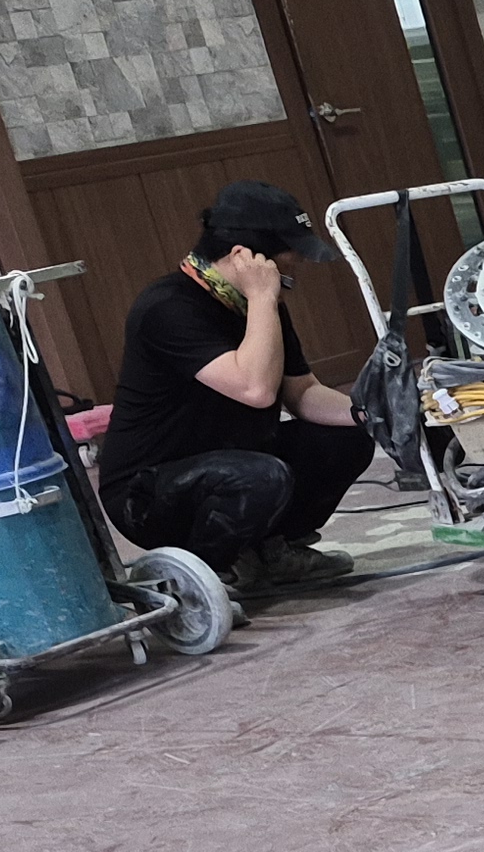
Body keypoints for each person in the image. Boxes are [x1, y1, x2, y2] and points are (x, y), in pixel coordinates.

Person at [97, 179, 374, 602]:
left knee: (349, 437)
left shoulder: (261, 306)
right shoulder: (167, 307)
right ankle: (206, 573)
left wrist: (371, 412)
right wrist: (262, 299)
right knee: (260, 477)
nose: (297, 263)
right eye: (290, 252)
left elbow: (301, 392)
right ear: (244, 256)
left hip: (235, 462)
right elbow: (255, 388)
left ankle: (272, 552)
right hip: (149, 490)